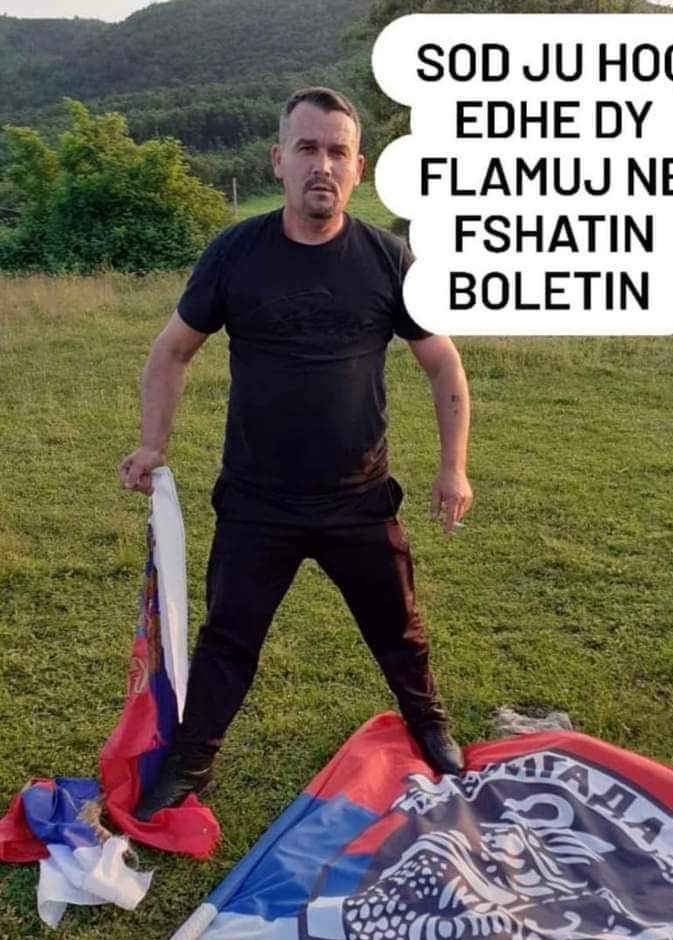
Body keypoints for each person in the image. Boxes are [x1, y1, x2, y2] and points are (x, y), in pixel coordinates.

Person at [119, 86, 473, 820]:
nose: (323, 165)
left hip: (359, 498)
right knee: (228, 640)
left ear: (359, 168)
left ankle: (430, 724)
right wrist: (153, 443)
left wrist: (453, 467)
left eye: (338, 151)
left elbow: (443, 363)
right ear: (278, 159)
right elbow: (172, 351)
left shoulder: (388, 260)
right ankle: (191, 760)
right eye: (307, 148)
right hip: (257, 500)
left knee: (400, 631)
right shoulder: (235, 254)